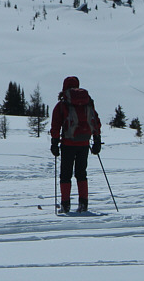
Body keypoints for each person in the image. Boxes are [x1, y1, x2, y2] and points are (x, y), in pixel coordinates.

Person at [50, 76, 102, 213]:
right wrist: (97, 139)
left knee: (65, 175)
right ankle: (83, 204)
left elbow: (56, 125)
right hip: (84, 143)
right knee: (81, 174)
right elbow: (95, 121)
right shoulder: (87, 102)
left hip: (68, 143)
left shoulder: (62, 104)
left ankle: (65, 205)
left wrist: (54, 142)